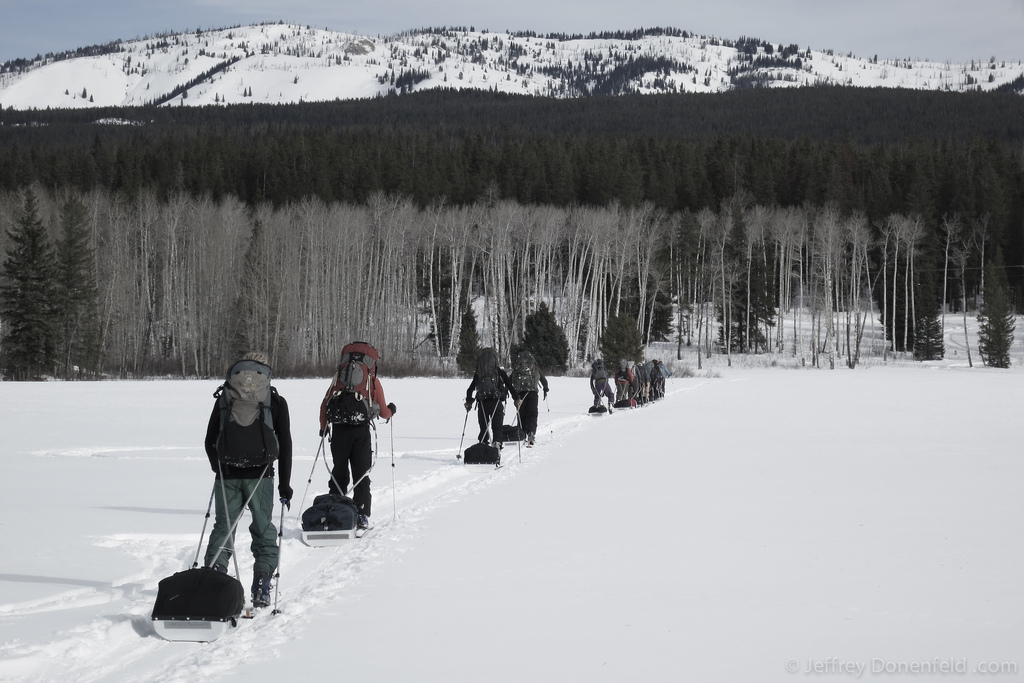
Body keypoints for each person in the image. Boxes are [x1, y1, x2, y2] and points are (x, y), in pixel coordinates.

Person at [203, 351, 292, 609]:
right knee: (264, 530)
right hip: (262, 475)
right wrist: (285, 484)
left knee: (224, 528)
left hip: (227, 474)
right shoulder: (274, 400)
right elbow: (285, 444)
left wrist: (218, 468)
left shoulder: (225, 397)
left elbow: (209, 440)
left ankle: (215, 580)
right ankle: (262, 586)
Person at [318, 342, 395, 532]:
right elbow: (384, 412)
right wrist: (391, 411)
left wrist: (323, 427)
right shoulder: (372, 381)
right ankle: (361, 514)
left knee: (339, 471)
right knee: (361, 473)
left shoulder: (339, 379)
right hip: (360, 431)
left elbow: (325, 404)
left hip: (338, 431)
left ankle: (336, 508)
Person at [465, 347, 518, 449]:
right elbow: (510, 386)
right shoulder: (499, 372)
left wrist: (469, 402)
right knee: (497, 427)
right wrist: (516, 398)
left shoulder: (479, 374)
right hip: (496, 402)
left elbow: (469, 389)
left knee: (483, 427)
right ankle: (497, 443)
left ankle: (483, 444)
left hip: (482, 402)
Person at [510, 350, 549, 446]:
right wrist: (545, 388)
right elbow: (544, 380)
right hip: (533, 393)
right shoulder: (535, 368)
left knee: (521, 414)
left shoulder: (517, 369)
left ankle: (521, 433)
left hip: (519, 394)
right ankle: (531, 433)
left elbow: (509, 380)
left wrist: (506, 391)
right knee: (532, 414)